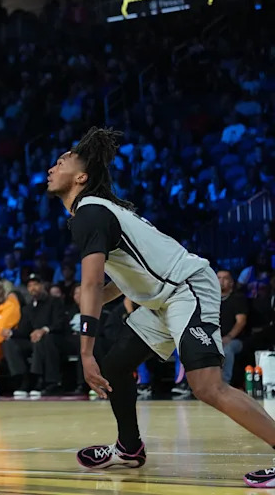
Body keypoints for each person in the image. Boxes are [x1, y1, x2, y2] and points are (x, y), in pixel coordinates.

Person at [45, 127, 275, 487]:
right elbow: (126, 277)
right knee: (117, 366)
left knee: (207, 386)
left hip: (187, 289)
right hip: (162, 301)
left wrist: (85, 349)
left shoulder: (91, 212)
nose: (52, 167)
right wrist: (99, 297)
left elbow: (90, 283)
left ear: (81, 177)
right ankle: (129, 447)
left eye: (62, 162)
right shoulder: (96, 212)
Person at [4, 274, 66, 398]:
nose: (33, 288)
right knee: (9, 343)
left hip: (53, 338)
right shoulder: (27, 308)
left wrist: (43, 330)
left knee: (41, 339)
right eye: (30, 286)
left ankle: (40, 380)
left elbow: (60, 323)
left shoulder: (54, 301)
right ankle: (24, 379)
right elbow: (24, 331)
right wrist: (10, 332)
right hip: (33, 340)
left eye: (36, 284)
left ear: (42, 286)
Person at [217, 269, 248, 385]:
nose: (221, 281)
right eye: (219, 278)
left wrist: (229, 337)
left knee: (227, 349)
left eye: (225, 278)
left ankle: (224, 383)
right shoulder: (210, 300)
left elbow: (241, 322)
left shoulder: (237, 299)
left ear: (231, 282)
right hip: (214, 338)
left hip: (235, 340)